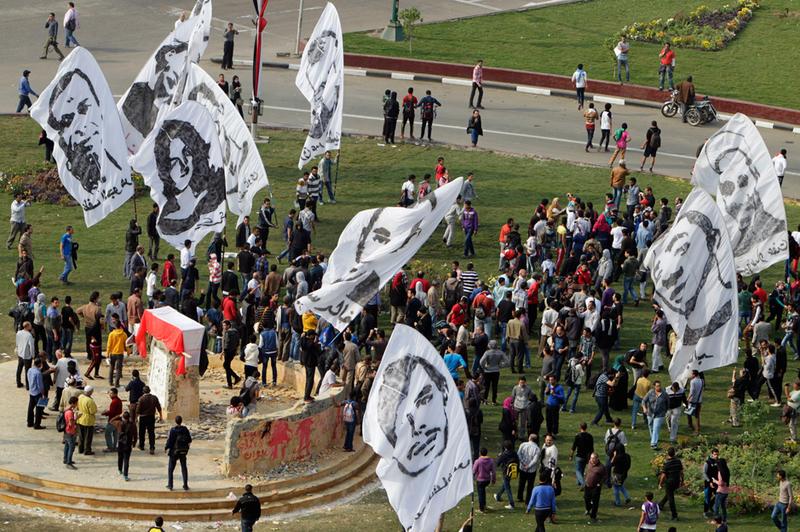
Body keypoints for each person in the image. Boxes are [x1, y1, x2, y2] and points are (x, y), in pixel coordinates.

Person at [165, 415, 192, 491]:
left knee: (171, 469)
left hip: (174, 452)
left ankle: (170, 485)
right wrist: (187, 448)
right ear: (181, 421)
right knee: (184, 468)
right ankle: (185, 485)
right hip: (183, 451)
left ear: (175, 421)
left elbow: (170, 441)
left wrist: (166, 448)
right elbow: (189, 440)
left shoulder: (173, 430)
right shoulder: (185, 429)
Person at [658, 446, 684, 521]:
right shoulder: (678, 461)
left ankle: (674, 515)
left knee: (671, 498)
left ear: (668, 454)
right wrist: (682, 481)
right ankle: (661, 504)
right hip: (676, 481)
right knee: (669, 494)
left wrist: (660, 484)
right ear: (674, 453)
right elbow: (681, 472)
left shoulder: (667, 463)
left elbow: (663, 475)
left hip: (669, 482)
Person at [494, 440, 520, 510]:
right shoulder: (514, 453)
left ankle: (512, 504)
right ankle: (498, 496)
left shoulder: (504, 454)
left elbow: (497, 464)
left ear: (505, 447)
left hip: (506, 472)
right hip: (513, 472)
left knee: (507, 487)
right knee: (505, 484)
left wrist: (498, 456)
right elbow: (518, 461)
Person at [643, 380, 668, 449]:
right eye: (657, 386)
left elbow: (667, 403)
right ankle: (653, 438)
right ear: (654, 386)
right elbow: (644, 400)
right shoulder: (650, 392)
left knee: (656, 428)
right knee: (651, 426)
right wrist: (644, 408)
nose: (659, 387)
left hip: (660, 414)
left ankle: (653, 443)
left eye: (660, 385)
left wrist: (665, 411)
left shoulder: (664, 394)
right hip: (650, 413)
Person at [137, 385, 163, 454]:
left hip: (143, 417)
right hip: (151, 417)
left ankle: (141, 445)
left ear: (143, 391)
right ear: (150, 391)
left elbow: (138, 410)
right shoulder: (154, 398)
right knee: (151, 433)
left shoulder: (141, 399)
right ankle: (152, 447)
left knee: (141, 432)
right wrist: (161, 416)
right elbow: (159, 408)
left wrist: (136, 417)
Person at [517, 434, 540, 505]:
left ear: (529, 438)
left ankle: (520, 497)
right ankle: (528, 500)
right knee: (530, 485)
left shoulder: (523, 445)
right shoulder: (537, 449)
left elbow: (518, 454)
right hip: (531, 470)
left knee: (521, 483)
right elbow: (535, 460)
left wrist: (524, 464)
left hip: (522, 468)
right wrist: (529, 466)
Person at [569, 422, 594, 488]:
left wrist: (571, 456)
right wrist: (592, 457)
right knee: (581, 470)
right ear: (586, 427)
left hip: (579, 456)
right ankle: (579, 483)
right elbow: (592, 448)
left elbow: (573, 447)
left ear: (580, 427)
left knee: (577, 470)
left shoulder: (578, 436)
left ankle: (583, 484)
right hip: (587, 456)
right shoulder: (590, 436)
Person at [583, 452, 606, 522]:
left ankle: (593, 516)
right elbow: (587, 471)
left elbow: (605, 476)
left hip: (596, 487)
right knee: (586, 498)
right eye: (591, 458)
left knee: (595, 502)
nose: (591, 459)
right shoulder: (589, 463)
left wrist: (600, 483)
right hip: (587, 485)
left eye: (593, 458)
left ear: (597, 459)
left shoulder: (601, 467)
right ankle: (588, 508)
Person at [473, 447, 496, 513]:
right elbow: (493, 471)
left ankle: (481, 508)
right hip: (487, 480)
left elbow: (473, 471)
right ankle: (484, 505)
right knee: (483, 492)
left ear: (480, 453)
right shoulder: (491, 461)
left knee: (481, 494)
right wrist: (493, 479)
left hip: (480, 480)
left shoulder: (478, 461)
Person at [117, 411, 136, 481]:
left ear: (123, 417)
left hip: (121, 443)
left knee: (120, 457)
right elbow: (135, 435)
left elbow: (118, 433)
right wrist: (134, 443)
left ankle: (119, 469)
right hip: (128, 443)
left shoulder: (120, 424)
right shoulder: (133, 425)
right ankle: (125, 475)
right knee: (126, 460)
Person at [77, 385, 97, 454]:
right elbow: (93, 411)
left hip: (80, 418)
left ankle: (80, 449)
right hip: (88, 420)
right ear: (90, 392)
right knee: (88, 436)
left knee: (81, 436)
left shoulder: (80, 397)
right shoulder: (89, 400)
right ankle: (87, 450)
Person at [102, 387, 123, 452]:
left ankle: (110, 447)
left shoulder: (114, 401)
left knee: (107, 433)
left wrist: (105, 413)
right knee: (115, 434)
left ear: (115, 394)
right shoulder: (118, 400)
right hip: (118, 419)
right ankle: (114, 447)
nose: (110, 395)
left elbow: (112, 412)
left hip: (113, 420)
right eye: (109, 393)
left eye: (111, 393)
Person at [63, 395, 79, 468]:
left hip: (66, 431)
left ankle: (65, 459)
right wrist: (77, 418)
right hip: (70, 431)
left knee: (67, 446)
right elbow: (71, 423)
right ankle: (69, 462)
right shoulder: (70, 413)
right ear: (73, 403)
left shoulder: (67, 410)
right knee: (71, 447)